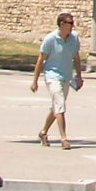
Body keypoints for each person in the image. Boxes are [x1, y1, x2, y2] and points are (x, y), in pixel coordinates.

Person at [31, 11, 85, 149]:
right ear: (62, 24)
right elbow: (41, 59)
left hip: (66, 76)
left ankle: (43, 132)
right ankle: (63, 138)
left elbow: (76, 58)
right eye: (70, 23)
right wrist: (35, 80)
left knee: (56, 107)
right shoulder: (50, 39)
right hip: (52, 76)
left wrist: (79, 76)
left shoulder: (74, 38)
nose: (73, 26)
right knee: (60, 105)